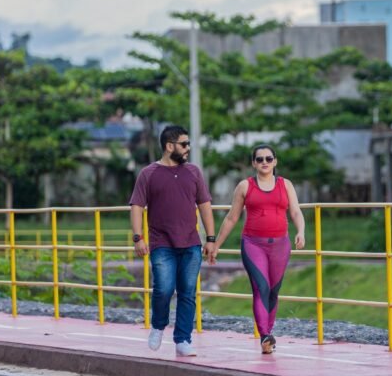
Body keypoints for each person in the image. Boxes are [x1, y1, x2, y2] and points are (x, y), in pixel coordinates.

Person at [209, 145, 306, 354]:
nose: (264, 162)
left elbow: (296, 212)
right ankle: (264, 335)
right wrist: (216, 245)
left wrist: (301, 231)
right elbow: (231, 218)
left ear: (275, 161)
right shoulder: (245, 186)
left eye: (268, 158)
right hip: (253, 244)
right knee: (261, 287)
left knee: (273, 291)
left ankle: (267, 337)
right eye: (260, 159)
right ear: (253, 163)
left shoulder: (285, 185)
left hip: (280, 244)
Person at [129, 126, 215, 357]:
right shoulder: (148, 173)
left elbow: (204, 205)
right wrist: (138, 237)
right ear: (169, 146)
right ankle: (158, 326)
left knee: (188, 293)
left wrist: (210, 238)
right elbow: (137, 206)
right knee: (164, 289)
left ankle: (183, 339)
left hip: (191, 243)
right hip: (161, 244)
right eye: (184, 144)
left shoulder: (194, 172)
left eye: (189, 144)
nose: (188, 148)